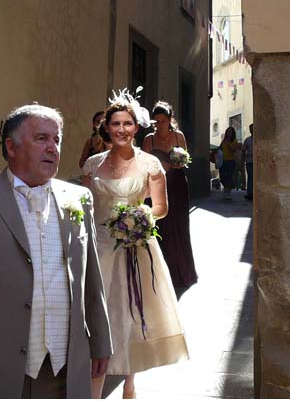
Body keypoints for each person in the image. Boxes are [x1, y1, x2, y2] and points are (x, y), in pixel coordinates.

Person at [0, 104, 113, 398]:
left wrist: (101, 341)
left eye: (57, 139)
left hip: (66, 369)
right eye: (41, 138)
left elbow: (91, 279)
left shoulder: (80, 198)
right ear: (11, 147)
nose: (52, 147)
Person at [82, 91, 189, 399]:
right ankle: (94, 390)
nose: (121, 129)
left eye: (127, 124)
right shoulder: (92, 164)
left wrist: (137, 219)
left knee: (131, 312)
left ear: (136, 128)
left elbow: (161, 207)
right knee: (98, 315)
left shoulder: (150, 164)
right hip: (98, 247)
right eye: (115, 124)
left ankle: (129, 381)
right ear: (107, 127)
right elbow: (85, 205)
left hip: (133, 245)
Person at [142, 101, 198, 291]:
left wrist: (178, 162)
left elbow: (185, 159)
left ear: (169, 120)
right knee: (161, 227)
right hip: (157, 187)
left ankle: (182, 272)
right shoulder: (149, 139)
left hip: (177, 185)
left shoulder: (178, 136)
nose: (160, 125)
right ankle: (160, 273)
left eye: (163, 121)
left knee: (179, 227)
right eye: (156, 121)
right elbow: (144, 164)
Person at [219, 126, 241, 200]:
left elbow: (234, 150)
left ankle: (227, 192)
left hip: (230, 161)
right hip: (223, 161)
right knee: (222, 176)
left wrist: (228, 144)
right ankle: (226, 189)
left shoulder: (234, 141)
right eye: (228, 131)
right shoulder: (223, 141)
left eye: (231, 132)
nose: (229, 133)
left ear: (233, 133)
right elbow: (220, 148)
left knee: (229, 176)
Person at [242, 124, 254, 200]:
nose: (252, 130)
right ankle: (250, 193)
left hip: (258, 162)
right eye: (251, 129)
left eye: (253, 128)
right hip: (249, 162)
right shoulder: (247, 140)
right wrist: (242, 160)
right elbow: (243, 150)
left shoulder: (260, 139)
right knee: (250, 177)